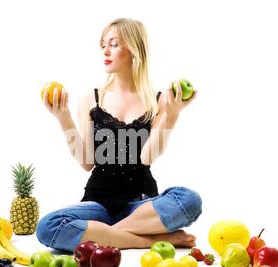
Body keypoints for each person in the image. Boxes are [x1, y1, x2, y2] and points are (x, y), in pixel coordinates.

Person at [36, 18, 202, 252]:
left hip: (141, 204)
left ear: (134, 49)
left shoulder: (158, 101)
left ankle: (107, 235)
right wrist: (64, 118)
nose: (105, 50)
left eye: (113, 44)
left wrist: (172, 115)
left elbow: (146, 158)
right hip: (97, 204)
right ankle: (149, 239)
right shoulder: (92, 99)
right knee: (47, 227)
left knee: (190, 200)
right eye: (103, 44)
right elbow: (86, 163)